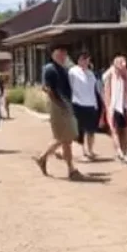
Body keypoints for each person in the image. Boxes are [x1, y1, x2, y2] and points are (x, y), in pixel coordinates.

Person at [34, 42, 83, 180]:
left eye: (64, 52)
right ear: (53, 54)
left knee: (65, 138)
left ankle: (43, 157)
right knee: (65, 138)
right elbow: (47, 88)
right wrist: (59, 104)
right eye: (59, 52)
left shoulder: (65, 69)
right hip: (58, 105)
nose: (62, 55)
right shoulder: (49, 68)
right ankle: (71, 169)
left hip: (66, 104)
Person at [103, 56, 127, 162]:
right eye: (120, 63)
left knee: (126, 130)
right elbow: (107, 93)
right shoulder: (110, 76)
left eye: (123, 63)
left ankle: (125, 149)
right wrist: (108, 108)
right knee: (115, 130)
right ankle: (119, 151)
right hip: (114, 106)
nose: (122, 65)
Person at [69, 50, 103, 161]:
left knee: (91, 130)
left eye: (87, 59)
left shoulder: (91, 73)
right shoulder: (73, 72)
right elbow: (69, 87)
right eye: (83, 59)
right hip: (78, 104)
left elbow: (94, 90)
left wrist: (96, 105)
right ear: (78, 60)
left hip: (91, 105)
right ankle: (81, 152)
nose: (85, 61)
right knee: (79, 130)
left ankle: (90, 150)